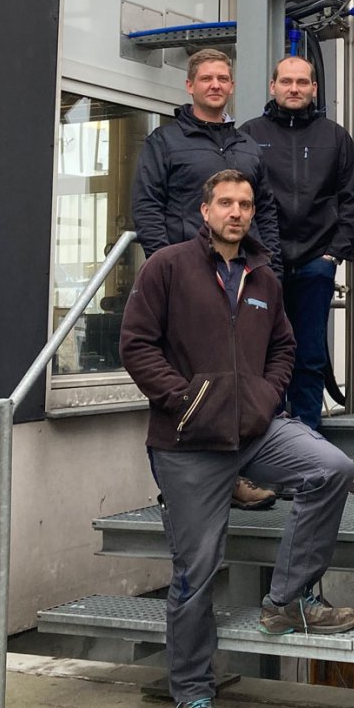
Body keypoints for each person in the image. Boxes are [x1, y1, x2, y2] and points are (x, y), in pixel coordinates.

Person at [119, 170, 354, 708]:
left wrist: (263, 397)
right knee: (196, 574)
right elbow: (136, 344)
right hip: (187, 442)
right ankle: (193, 695)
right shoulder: (168, 266)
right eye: (225, 202)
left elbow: (284, 347)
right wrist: (185, 399)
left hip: (253, 429)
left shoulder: (263, 277)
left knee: (330, 468)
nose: (236, 212)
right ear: (204, 210)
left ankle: (288, 600)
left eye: (245, 203)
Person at [131, 47, 282, 510]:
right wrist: (172, 268)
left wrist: (267, 265)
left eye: (223, 78)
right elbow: (147, 207)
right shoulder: (165, 141)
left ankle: (234, 476)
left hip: (241, 280)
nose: (215, 85)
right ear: (190, 86)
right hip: (186, 283)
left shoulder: (246, 145)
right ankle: (176, 481)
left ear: (231, 86)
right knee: (181, 380)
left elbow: (268, 210)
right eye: (206, 78)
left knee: (236, 376)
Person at [242, 55, 354, 431]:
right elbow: (239, 195)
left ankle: (308, 440)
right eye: (286, 82)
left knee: (309, 355)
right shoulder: (249, 134)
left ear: (314, 88)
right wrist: (255, 252)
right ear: (273, 86)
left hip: (315, 262)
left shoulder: (335, 137)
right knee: (264, 353)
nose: (294, 89)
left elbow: (352, 197)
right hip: (263, 264)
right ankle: (272, 438)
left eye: (302, 82)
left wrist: (333, 253)